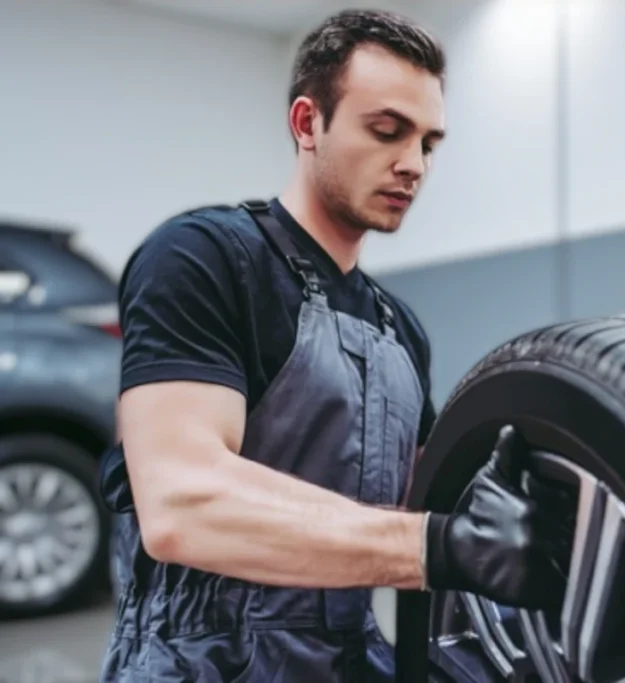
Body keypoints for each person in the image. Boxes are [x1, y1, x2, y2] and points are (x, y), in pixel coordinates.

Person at [97, 9, 569, 681]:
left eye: (429, 143)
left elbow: (423, 499)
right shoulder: (205, 259)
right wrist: (435, 546)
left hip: (345, 661)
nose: (412, 165)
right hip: (197, 663)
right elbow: (181, 503)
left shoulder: (397, 327)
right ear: (307, 123)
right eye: (386, 131)